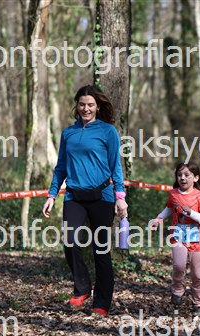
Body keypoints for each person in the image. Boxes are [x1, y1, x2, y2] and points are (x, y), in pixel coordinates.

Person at [42, 85, 127, 317]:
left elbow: (115, 166)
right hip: (74, 196)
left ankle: (102, 302)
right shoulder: (68, 133)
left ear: (98, 107)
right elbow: (61, 167)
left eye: (90, 105)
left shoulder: (108, 131)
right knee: (70, 241)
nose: (86, 108)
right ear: (76, 106)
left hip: (102, 196)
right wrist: (51, 195)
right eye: (82, 104)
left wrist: (120, 197)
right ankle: (82, 288)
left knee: (101, 250)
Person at [149, 162, 200, 314]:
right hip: (178, 235)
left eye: (187, 175)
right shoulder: (174, 194)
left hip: (196, 238)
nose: (182, 178)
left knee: (197, 273)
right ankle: (177, 290)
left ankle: (199, 303)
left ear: (195, 178)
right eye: (179, 175)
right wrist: (158, 218)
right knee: (178, 265)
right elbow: (169, 208)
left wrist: (191, 213)